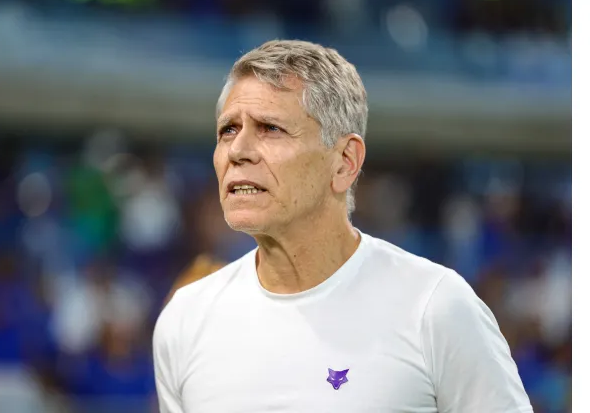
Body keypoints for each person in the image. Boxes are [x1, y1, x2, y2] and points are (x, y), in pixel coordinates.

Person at [153, 40, 533, 412]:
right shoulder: (185, 320)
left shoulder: (435, 307)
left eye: (270, 128)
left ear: (344, 162)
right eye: (228, 130)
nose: (238, 150)